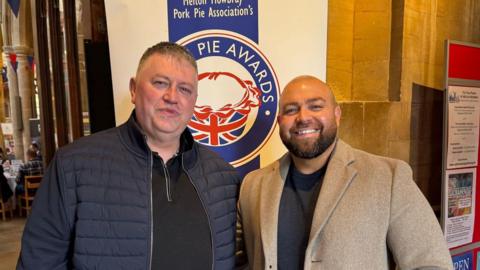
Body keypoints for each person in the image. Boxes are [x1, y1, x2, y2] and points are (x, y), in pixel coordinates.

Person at [17, 42, 241, 270]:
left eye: (184, 89)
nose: (172, 96)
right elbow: (40, 261)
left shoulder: (224, 178)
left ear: (194, 100)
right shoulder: (73, 166)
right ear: (134, 90)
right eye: (160, 83)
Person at [237, 75, 453, 269]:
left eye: (315, 106)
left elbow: (431, 263)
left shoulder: (389, 178)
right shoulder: (253, 185)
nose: (303, 117)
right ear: (279, 122)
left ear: (337, 115)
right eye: (291, 110)